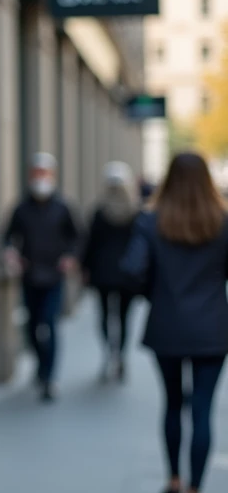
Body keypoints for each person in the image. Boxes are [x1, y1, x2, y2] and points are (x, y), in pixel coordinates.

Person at [122, 152, 228, 493]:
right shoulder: (222, 222)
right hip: (213, 329)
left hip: (168, 324)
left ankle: (173, 481)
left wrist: (158, 294)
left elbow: (132, 270)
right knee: (202, 410)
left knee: (172, 404)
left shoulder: (151, 222)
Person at [1, 152, 81, 402]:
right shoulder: (21, 208)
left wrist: (70, 256)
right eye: (36, 173)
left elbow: (77, 237)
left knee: (49, 323)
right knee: (34, 325)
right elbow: (6, 237)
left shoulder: (62, 207)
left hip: (54, 276)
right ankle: (40, 363)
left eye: (44, 174)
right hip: (29, 275)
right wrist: (11, 254)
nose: (40, 178)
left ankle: (49, 376)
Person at [81, 161, 142, 383]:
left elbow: (89, 244)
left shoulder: (100, 212)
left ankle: (111, 352)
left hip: (104, 273)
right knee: (123, 318)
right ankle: (118, 354)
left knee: (107, 316)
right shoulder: (135, 212)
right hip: (126, 275)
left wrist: (85, 269)